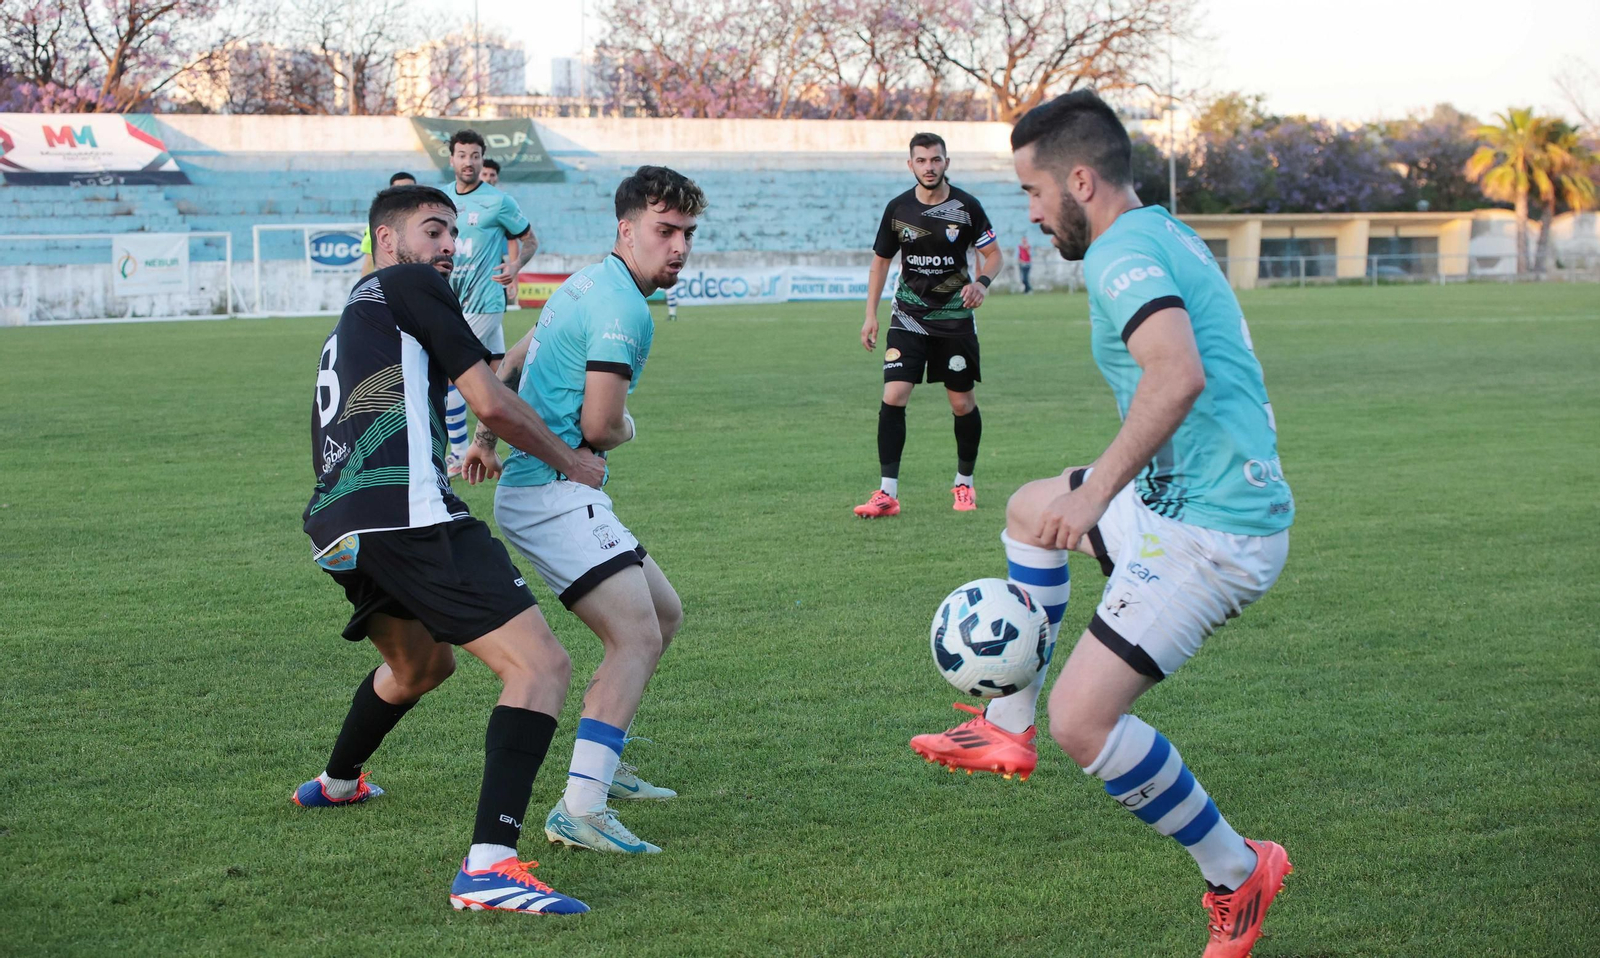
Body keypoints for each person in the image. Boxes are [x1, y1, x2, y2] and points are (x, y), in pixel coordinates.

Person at [913, 90, 1296, 957]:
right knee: (1025, 510)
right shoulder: (1154, 230)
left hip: (1216, 530)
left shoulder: (1120, 254)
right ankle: (1005, 727)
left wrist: (1094, 498)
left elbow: (1177, 377)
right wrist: (1086, 494)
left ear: (1080, 180)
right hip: (1183, 495)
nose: (1032, 213)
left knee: (1085, 722)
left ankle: (1240, 873)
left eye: (1033, 192)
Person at [294, 184, 608, 915]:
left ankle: (339, 782)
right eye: (432, 230)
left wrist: (476, 441)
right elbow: (490, 398)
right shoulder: (405, 286)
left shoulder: (357, 317)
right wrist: (572, 460)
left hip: (342, 527)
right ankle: (490, 867)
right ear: (385, 241)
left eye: (453, 235)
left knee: (418, 666)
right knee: (542, 666)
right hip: (406, 515)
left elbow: (464, 394)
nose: (448, 248)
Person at [462, 166, 705, 855]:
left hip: (551, 491)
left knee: (663, 614)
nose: (679, 246)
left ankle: (606, 761)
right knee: (637, 638)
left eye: (687, 232)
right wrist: (630, 428)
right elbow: (601, 427)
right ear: (626, 230)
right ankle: (582, 807)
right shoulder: (622, 308)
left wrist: (484, 440)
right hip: (552, 496)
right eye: (665, 231)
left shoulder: (587, 280)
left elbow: (515, 356)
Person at [856, 132, 1003, 518]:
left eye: (935, 160)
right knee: (894, 395)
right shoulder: (898, 209)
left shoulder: (967, 207)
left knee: (961, 403)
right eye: (921, 161)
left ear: (946, 163)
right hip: (908, 315)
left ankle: (964, 484)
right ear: (911, 165)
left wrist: (981, 283)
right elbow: (880, 263)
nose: (929, 167)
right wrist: (870, 314)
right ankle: (887, 493)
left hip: (954, 318)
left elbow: (993, 256)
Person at [442, 129, 539, 478]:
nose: (469, 162)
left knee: (452, 375)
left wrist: (514, 267)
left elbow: (530, 240)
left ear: (483, 159)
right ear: (452, 159)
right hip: (453, 301)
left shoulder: (499, 201)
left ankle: (456, 454)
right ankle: (527, 440)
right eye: (462, 155)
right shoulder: (441, 200)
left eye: (475, 155)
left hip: (484, 301)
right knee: (503, 376)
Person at [479, 158, 521, 311]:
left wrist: (513, 278)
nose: (488, 178)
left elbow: (512, 242)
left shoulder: (503, 204)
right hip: (465, 269)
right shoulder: (461, 201)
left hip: (494, 270)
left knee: (495, 316)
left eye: (492, 175)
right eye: (485, 174)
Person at [360, 171, 416, 273]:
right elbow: (369, 261)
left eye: (410, 189)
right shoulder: (378, 223)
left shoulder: (428, 221)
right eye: (399, 190)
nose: (406, 194)